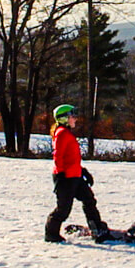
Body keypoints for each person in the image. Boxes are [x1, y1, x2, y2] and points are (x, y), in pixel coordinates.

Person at [44, 104, 111, 243]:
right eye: (72, 116)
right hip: (66, 178)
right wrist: (61, 174)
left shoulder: (67, 133)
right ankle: (51, 233)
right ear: (63, 119)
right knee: (63, 209)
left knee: (89, 200)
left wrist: (83, 171)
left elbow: (71, 158)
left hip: (75, 175)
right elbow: (58, 156)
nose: (75, 119)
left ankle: (97, 228)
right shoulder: (61, 133)